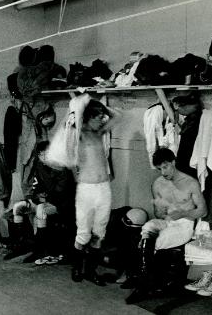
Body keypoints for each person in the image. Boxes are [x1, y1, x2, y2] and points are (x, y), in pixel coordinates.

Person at [125, 147, 207, 304]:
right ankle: (144, 282)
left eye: (165, 167)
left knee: (151, 241)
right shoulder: (157, 184)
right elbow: (157, 214)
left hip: (184, 225)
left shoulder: (190, 183)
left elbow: (203, 211)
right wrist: (161, 211)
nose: (163, 172)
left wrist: (183, 214)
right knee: (148, 228)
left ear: (173, 162)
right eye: (159, 169)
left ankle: (142, 284)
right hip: (167, 221)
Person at [71, 98, 122, 286]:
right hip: (86, 188)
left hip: (103, 187)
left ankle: (91, 272)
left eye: (102, 117)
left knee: (99, 232)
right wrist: (86, 105)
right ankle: (77, 268)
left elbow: (118, 115)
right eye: (98, 117)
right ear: (88, 117)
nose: (102, 120)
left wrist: (100, 106)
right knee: (83, 232)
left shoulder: (99, 133)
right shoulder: (79, 134)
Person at [4, 141, 76, 263]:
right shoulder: (39, 166)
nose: (44, 157)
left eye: (47, 153)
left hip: (61, 204)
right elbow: (36, 186)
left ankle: (40, 249)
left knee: (41, 209)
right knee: (18, 207)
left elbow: (62, 192)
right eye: (41, 154)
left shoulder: (62, 168)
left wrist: (45, 198)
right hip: (44, 200)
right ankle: (20, 245)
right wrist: (37, 195)